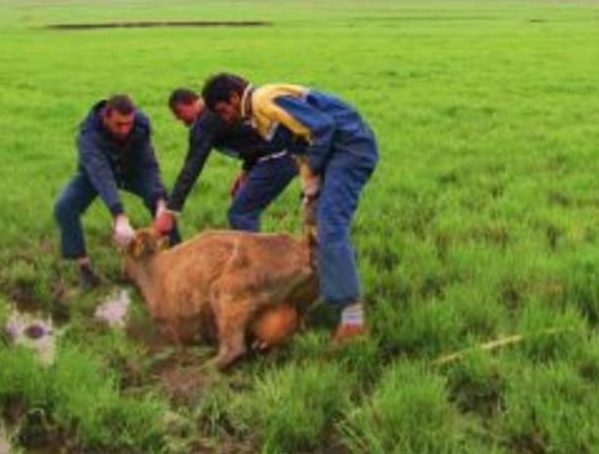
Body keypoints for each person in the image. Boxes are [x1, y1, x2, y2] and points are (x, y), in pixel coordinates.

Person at [201, 73, 379, 341]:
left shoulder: (263, 100)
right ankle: (326, 295)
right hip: (334, 151)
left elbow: (323, 128)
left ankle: (353, 320)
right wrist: (308, 186)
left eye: (223, 110)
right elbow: (299, 146)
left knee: (330, 227)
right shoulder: (259, 117)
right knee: (315, 226)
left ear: (234, 97)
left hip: (349, 149)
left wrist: (316, 169)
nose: (225, 119)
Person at [54, 94, 179, 289]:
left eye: (128, 124)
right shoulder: (88, 135)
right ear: (105, 118)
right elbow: (100, 173)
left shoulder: (140, 125)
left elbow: (148, 165)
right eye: (119, 125)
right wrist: (118, 215)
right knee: (65, 207)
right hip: (94, 173)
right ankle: (83, 268)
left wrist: (160, 202)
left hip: (130, 171)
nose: (125, 129)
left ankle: (176, 261)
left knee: (167, 204)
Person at [153, 88, 297, 235]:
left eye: (179, 113)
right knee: (241, 208)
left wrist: (171, 210)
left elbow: (192, 167)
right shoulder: (212, 115)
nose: (179, 120)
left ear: (191, 103)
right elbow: (250, 139)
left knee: (241, 213)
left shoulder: (205, 122)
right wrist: (246, 171)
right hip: (280, 156)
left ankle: (253, 256)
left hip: (277, 160)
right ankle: (251, 252)